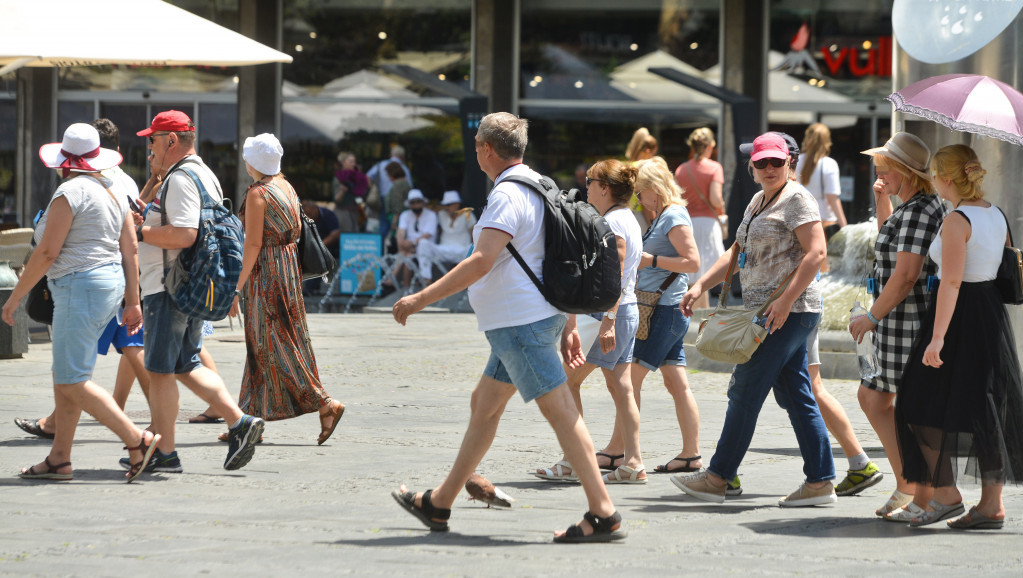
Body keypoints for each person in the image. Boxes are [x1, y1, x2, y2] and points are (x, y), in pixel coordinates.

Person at [390, 112, 626, 543]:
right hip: (527, 321)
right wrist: (568, 323)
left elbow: (481, 261)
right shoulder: (538, 184)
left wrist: (420, 298)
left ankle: (603, 511)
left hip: (521, 324)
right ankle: (440, 502)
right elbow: (547, 258)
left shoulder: (506, 196)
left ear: (486, 149)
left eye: (477, 143)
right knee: (484, 405)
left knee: (562, 415)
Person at [676, 132, 835, 507]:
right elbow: (736, 250)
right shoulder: (758, 200)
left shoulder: (797, 198)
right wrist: (701, 284)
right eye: (761, 163)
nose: (768, 169)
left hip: (788, 313)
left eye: (776, 162)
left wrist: (783, 302)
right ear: (752, 165)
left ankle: (718, 478)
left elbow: (817, 253)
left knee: (745, 389)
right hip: (768, 313)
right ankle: (820, 482)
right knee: (797, 396)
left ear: (789, 163)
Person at [1, 123, 160, 482]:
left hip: (79, 288)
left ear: (63, 163)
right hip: (108, 287)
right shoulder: (112, 189)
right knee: (70, 376)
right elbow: (130, 248)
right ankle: (59, 458)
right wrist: (132, 301)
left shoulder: (69, 193)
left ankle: (138, 440)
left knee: (71, 380)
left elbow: (46, 252)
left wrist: (15, 296)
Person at [894, 145, 1023, 529]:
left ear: (946, 178)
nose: (932, 181)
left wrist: (937, 339)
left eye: (934, 175)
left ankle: (947, 494)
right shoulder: (995, 213)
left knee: (915, 400)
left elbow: (951, 280)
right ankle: (990, 504)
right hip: (990, 313)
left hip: (959, 313)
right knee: (987, 405)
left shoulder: (957, 220)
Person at [134, 110, 263, 471]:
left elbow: (185, 234)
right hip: (191, 284)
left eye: (153, 140)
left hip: (168, 285)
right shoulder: (204, 173)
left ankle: (166, 453)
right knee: (185, 364)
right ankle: (240, 422)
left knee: (160, 370)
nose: (150, 148)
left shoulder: (180, 179)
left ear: (171, 141)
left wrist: (138, 233)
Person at [223, 134, 345, 445]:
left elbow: (252, 244)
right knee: (265, 344)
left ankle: (325, 403)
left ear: (253, 162)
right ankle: (247, 420)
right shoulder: (286, 187)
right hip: (288, 272)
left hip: (266, 274)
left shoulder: (258, 193)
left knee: (274, 343)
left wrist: (236, 288)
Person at [848, 132, 945, 521]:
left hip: (907, 318)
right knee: (874, 398)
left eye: (885, 171)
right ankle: (908, 482)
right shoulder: (914, 205)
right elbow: (892, 242)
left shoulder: (923, 209)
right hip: (896, 318)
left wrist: (871, 318)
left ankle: (924, 490)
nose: (880, 176)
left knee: (906, 406)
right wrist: (881, 199)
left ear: (905, 171)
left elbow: (906, 275)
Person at [534, 159, 645, 485]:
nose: (586, 186)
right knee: (621, 387)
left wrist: (608, 320)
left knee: (567, 383)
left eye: (591, 182)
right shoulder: (627, 219)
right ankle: (633, 462)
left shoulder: (612, 222)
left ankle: (573, 460)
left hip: (606, 313)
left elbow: (618, 272)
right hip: (623, 310)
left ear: (605, 187)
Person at [676, 127, 725, 311]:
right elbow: (715, 198)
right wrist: (722, 207)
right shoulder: (714, 167)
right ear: (710, 146)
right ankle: (700, 318)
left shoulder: (681, 169)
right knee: (706, 275)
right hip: (708, 224)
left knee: (692, 274)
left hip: (687, 223)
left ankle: (692, 315)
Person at [797, 123, 848, 273]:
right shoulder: (829, 164)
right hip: (824, 223)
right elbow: (832, 197)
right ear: (827, 141)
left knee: (804, 270)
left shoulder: (797, 161)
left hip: (801, 222)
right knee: (824, 271)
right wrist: (844, 225)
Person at [415, 190, 477, 285]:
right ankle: (426, 277)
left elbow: (475, 235)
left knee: (473, 247)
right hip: (443, 250)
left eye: (449, 205)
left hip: (461, 251)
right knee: (423, 243)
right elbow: (429, 208)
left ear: (457, 204)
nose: (446, 207)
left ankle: (468, 281)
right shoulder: (441, 214)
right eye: (445, 205)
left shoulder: (467, 214)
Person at [367, 144, 412, 240]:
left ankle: (382, 251)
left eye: (388, 174)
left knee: (384, 229)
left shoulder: (380, 165)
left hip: (385, 203)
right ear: (402, 156)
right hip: (396, 206)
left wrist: (373, 188)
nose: (387, 176)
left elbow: (367, 176)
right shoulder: (405, 169)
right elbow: (410, 190)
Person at [395, 189, 437, 287]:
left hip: (427, 247)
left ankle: (396, 279)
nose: (416, 205)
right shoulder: (405, 215)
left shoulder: (431, 215)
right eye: (413, 202)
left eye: (418, 201)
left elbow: (428, 235)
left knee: (409, 253)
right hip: (409, 246)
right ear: (409, 204)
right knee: (408, 255)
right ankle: (406, 287)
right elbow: (401, 231)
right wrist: (401, 241)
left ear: (423, 202)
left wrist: (412, 243)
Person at [301, 198, 341, 296]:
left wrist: (319, 245)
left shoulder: (328, 215)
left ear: (315, 209)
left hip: (330, 246)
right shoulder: (303, 217)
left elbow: (335, 234)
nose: (308, 217)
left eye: (309, 214)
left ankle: (311, 288)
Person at [625, 128, 658, 231]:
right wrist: (653, 225)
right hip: (640, 216)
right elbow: (645, 201)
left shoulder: (627, 166)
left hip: (627, 214)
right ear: (648, 151)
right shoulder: (644, 168)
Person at [385, 161, 412, 241]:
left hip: (397, 217)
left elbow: (398, 203)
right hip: (401, 216)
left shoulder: (398, 184)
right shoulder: (405, 182)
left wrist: (394, 221)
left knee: (398, 239)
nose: (387, 176)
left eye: (388, 173)